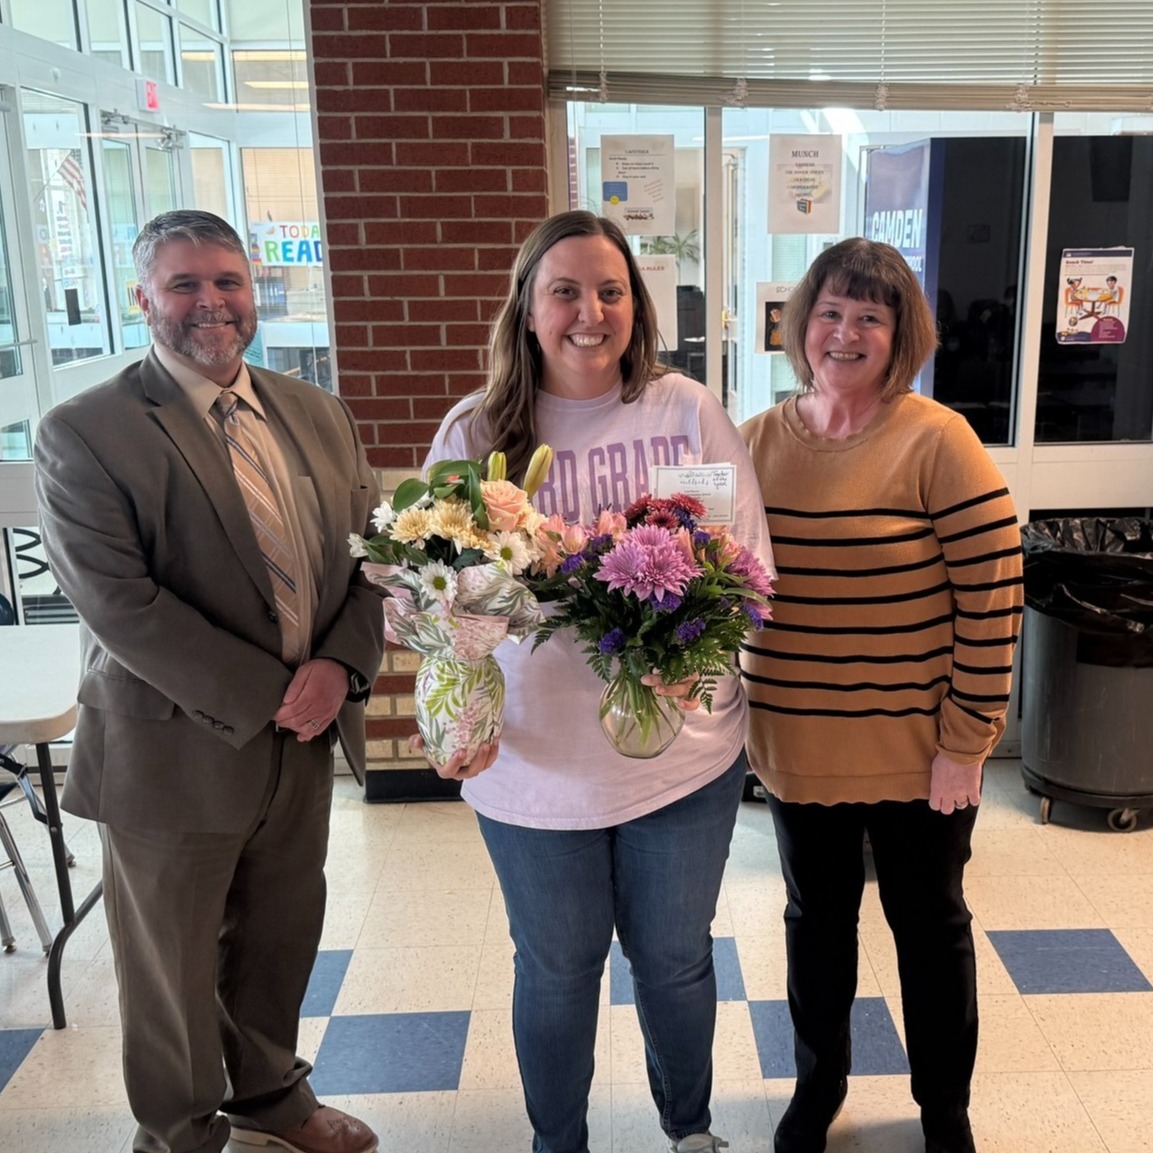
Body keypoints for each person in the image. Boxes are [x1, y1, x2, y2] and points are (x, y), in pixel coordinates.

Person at [421, 209, 775, 1153]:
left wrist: (691, 651)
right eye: (565, 291)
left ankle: (689, 1130)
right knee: (557, 971)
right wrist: (450, 685)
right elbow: (431, 598)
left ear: (636, 306)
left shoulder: (683, 409)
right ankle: (559, 1144)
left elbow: (747, 569)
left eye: (610, 291)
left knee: (674, 961)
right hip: (535, 769)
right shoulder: (474, 432)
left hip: (682, 758)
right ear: (527, 308)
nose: (590, 312)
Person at [34, 210, 385, 1153]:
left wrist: (339, 665)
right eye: (183, 283)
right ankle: (179, 1134)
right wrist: (277, 691)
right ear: (141, 297)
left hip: (302, 739)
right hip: (169, 748)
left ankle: (272, 1096)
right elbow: (121, 604)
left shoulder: (316, 412)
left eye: (228, 281)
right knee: (173, 969)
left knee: (279, 934)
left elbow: (373, 555)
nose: (211, 302)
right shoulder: (85, 432)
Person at [739, 238, 1024, 1153]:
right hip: (797, 748)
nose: (845, 331)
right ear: (800, 324)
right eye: (829, 311)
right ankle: (818, 1084)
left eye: (870, 315)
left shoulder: (936, 439)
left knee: (929, 930)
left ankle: (943, 1105)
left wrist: (966, 741)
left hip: (917, 757)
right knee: (814, 929)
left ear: (900, 335)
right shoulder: (753, 442)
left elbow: (992, 594)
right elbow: (716, 581)